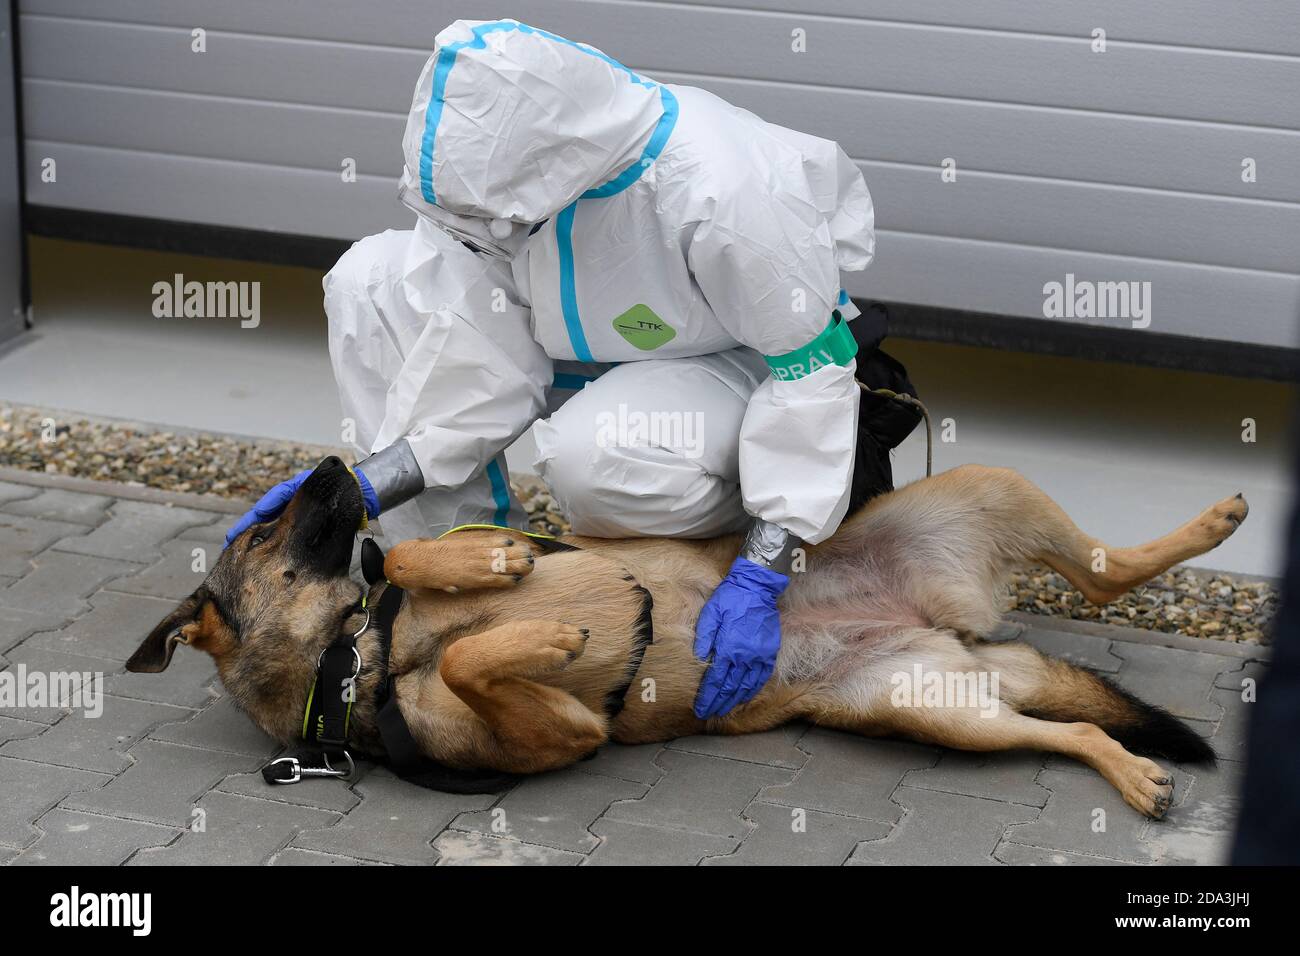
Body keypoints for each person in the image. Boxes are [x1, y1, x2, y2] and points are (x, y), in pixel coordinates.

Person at [227, 19, 918, 719]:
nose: (487, 230)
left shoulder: (725, 188)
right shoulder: (500, 178)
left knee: (595, 453)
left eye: (499, 217)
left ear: (552, 168)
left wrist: (764, 572)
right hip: (589, 353)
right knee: (368, 280)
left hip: (738, 368)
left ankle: (724, 554)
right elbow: (485, 371)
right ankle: (467, 572)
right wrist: (366, 487)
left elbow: (808, 371)